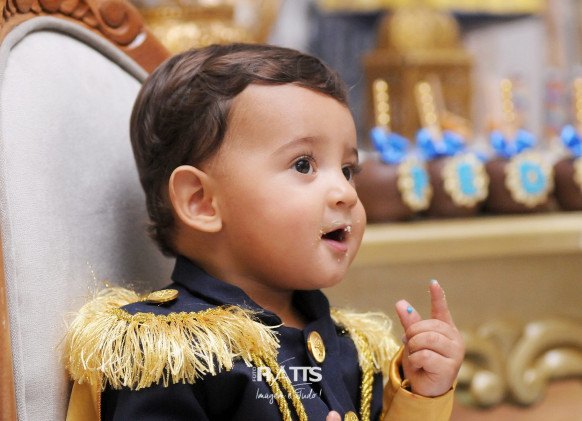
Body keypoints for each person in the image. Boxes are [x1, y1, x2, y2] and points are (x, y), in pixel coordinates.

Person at [64, 43, 465, 421]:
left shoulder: (354, 349)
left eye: (347, 169)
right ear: (201, 201)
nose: (345, 192)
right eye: (304, 165)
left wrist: (421, 394)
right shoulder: (167, 354)